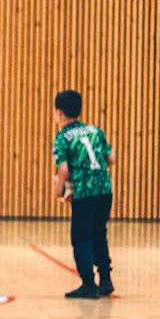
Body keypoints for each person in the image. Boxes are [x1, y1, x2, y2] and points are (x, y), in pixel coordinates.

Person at [52, 89, 116, 298]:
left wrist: (58, 189)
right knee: (99, 233)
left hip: (84, 192)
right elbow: (111, 158)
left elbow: (63, 170)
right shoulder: (95, 131)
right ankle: (105, 280)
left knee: (80, 238)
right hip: (105, 190)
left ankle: (89, 284)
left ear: (59, 113)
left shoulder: (62, 138)